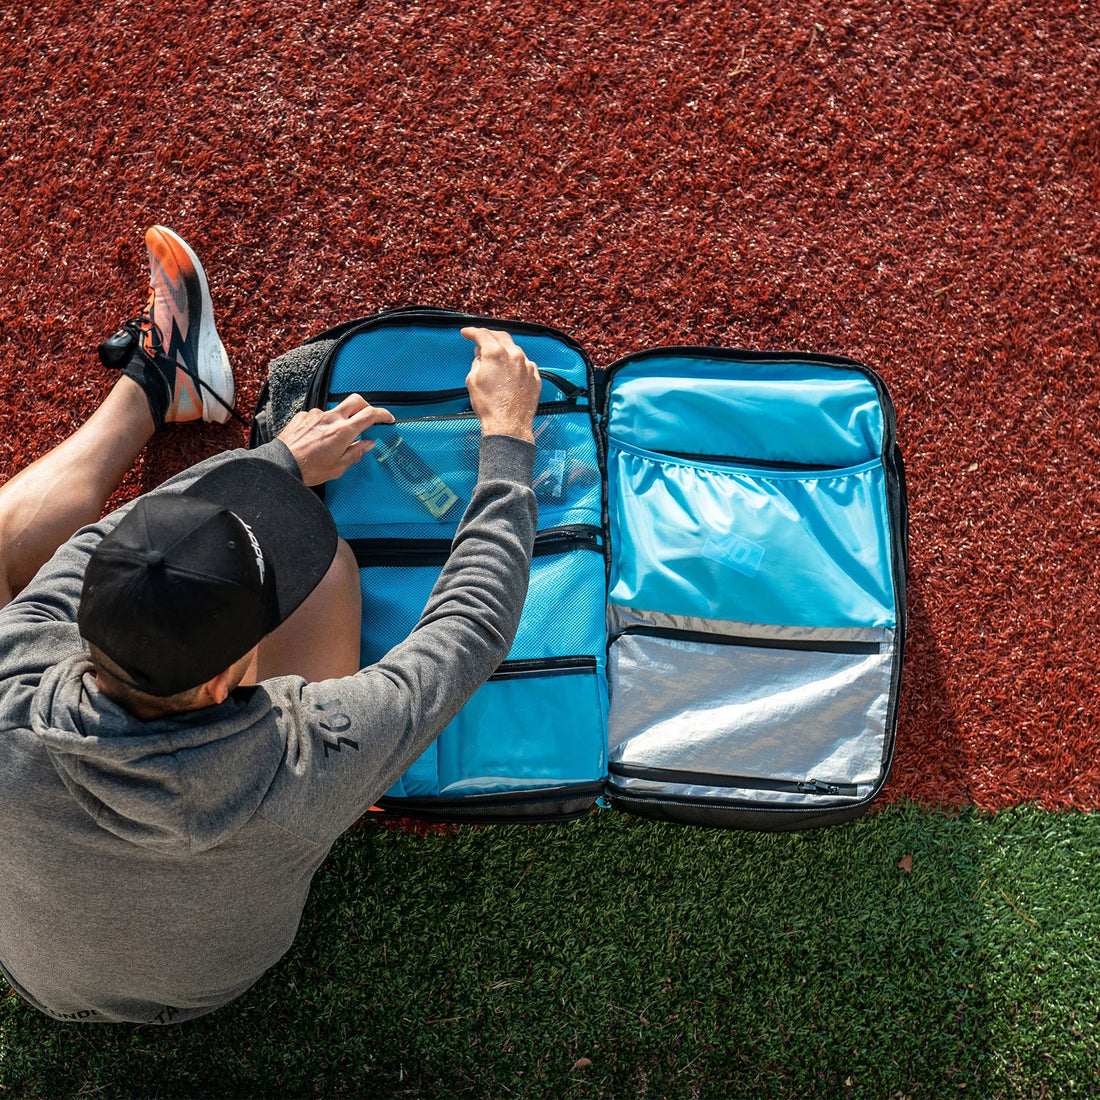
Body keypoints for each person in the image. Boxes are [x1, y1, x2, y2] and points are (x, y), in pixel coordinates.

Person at [0, 227, 541, 1024]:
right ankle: (163, 378)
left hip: (37, 977)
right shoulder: (310, 759)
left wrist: (280, 460)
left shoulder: (16, 666)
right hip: (206, 991)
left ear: (79, 623)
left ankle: (161, 382)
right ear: (230, 679)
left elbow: (95, 542)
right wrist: (508, 437)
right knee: (329, 572)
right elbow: (469, 631)